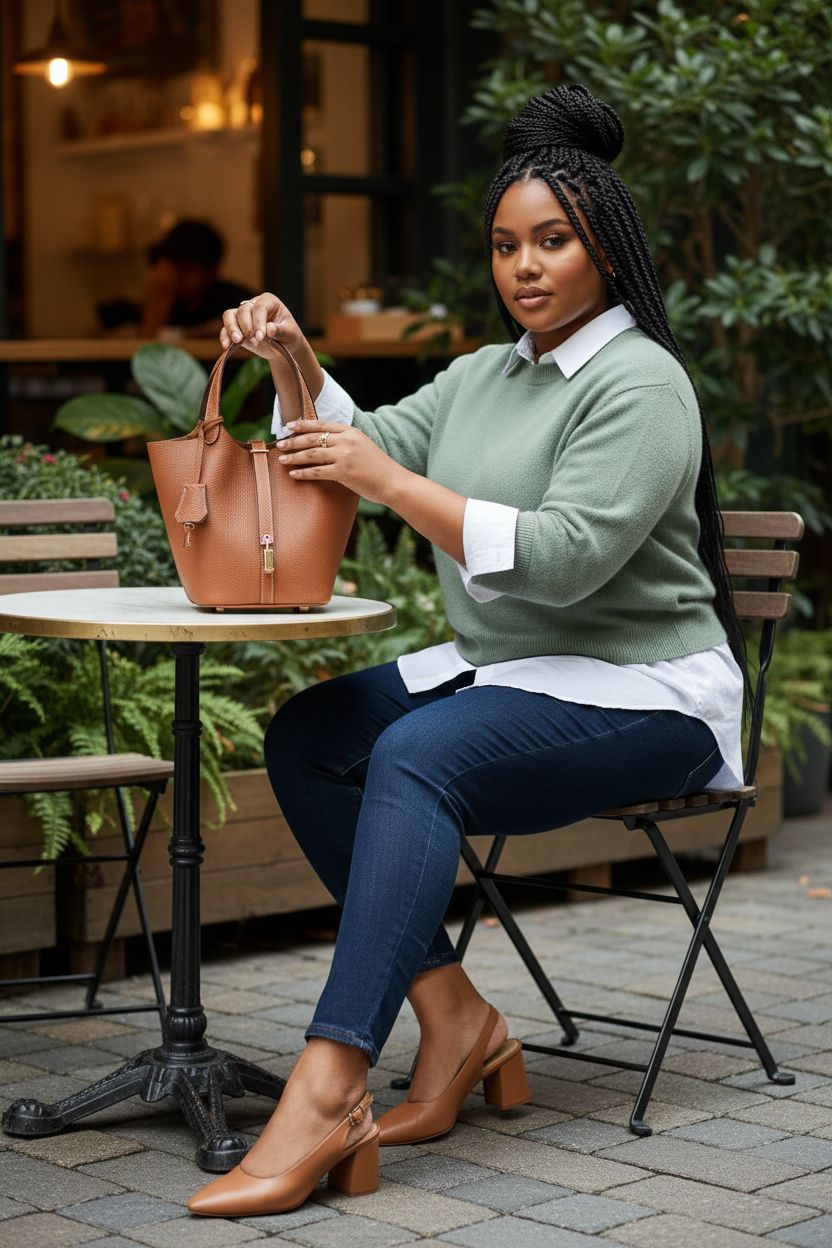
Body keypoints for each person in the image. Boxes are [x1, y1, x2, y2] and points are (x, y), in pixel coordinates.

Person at [188, 83, 747, 1218]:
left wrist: (392, 484)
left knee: (418, 756)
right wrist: (294, 355)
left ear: (606, 247)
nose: (523, 267)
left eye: (553, 240)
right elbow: (351, 445)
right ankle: (456, 1021)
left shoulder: (642, 386)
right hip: (511, 675)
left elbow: (563, 560)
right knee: (311, 737)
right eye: (505, 245)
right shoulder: (492, 374)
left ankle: (330, 1082)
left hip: (648, 695)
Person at [141, 219, 253, 338]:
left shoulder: (237, 302)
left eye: (184, 270)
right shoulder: (167, 301)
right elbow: (148, 344)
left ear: (211, 271)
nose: (174, 277)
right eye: (173, 268)